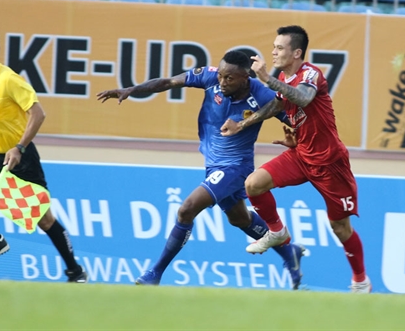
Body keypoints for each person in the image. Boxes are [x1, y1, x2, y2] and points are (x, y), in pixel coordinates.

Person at [97, 50, 306, 289]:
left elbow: (296, 119)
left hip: (235, 167)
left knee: (186, 210)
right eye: (221, 75)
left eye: (230, 78)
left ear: (245, 77)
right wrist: (131, 90)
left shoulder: (263, 96)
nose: (222, 81)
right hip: (213, 164)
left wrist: (296, 138)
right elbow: (167, 82)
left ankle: (154, 273)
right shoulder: (209, 77)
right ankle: (290, 252)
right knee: (239, 218)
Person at [220, 26, 371, 293]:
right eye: (274, 46)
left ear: (296, 52)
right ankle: (277, 232)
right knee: (254, 184)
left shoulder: (311, 74)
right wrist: (243, 125)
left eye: (279, 47)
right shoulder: (283, 78)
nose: (274, 51)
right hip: (301, 154)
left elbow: (302, 97)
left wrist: (267, 78)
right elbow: (278, 105)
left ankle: (360, 280)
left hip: (329, 162)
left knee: (340, 227)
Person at [0, 25, 88, 282]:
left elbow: (38, 114)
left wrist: (19, 147)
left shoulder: (9, 79)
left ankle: (75, 271)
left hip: (19, 158)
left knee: (45, 221)